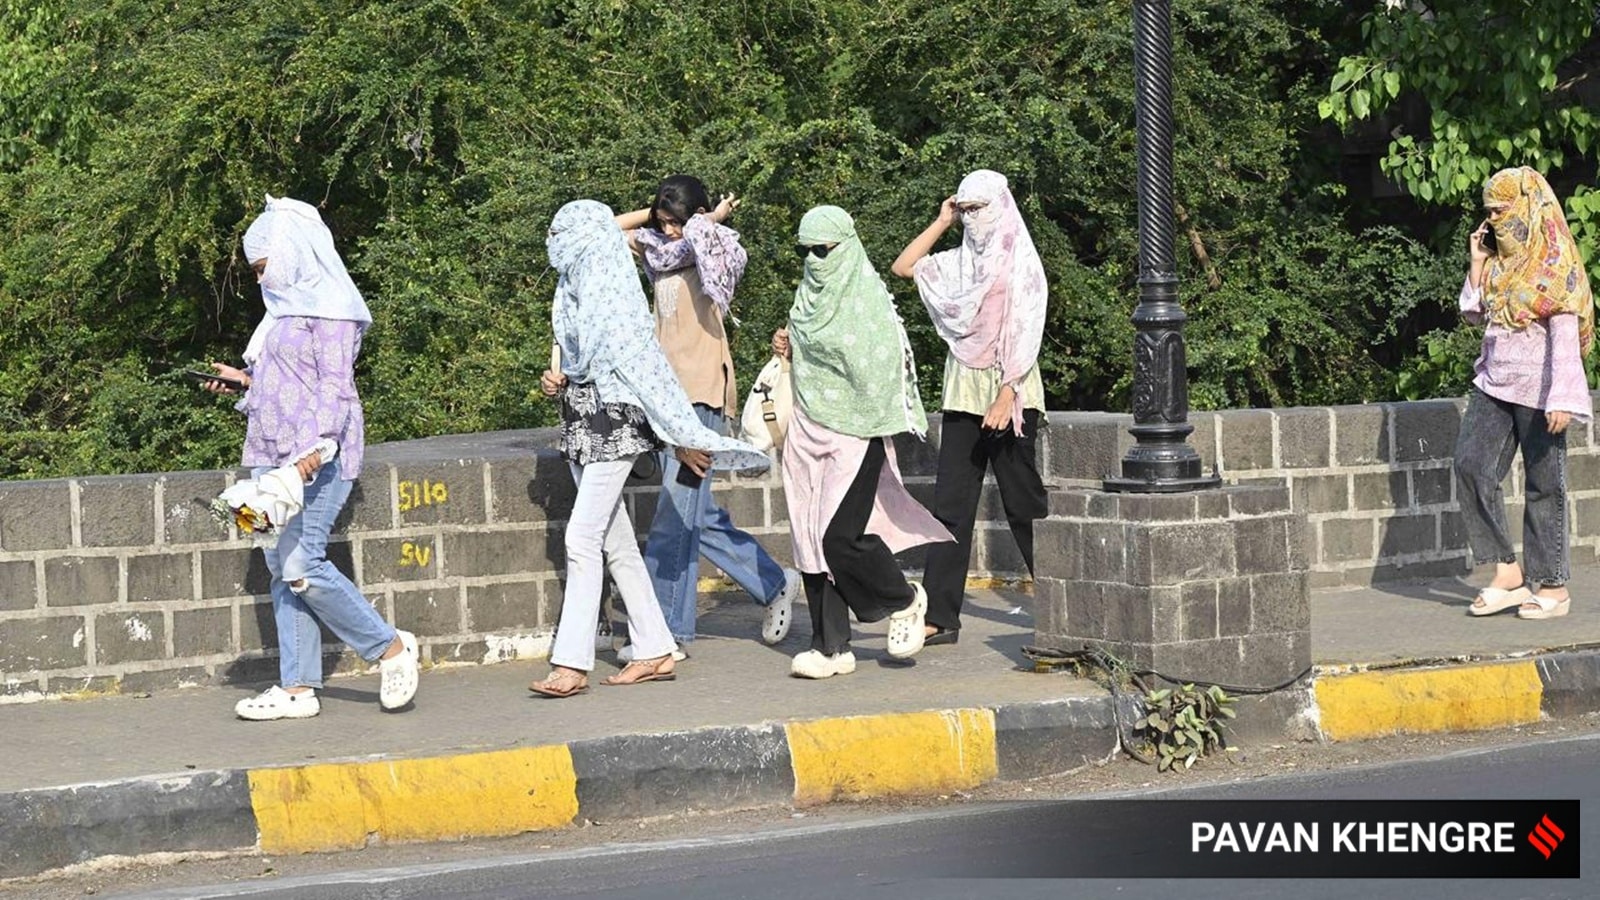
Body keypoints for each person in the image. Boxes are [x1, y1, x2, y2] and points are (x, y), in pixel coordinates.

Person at [532, 199, 770, 698]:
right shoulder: (576, 283)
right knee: (615, 543)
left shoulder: (612, 292)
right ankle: (656, 648)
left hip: (613, 424)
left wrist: (681, 435)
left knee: (581, 539)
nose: (557, 244)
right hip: (580, 419)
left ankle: (571, 663)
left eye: (564, 234)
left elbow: (649, 375)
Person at [205, 195, 420, 721]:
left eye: (264, 267)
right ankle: (298, 688)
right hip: (269, 456)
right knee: (281, 567)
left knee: (302, 564)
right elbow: (283, 386)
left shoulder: (333, 311)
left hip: (315, 460)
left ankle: (389, 649)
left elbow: (334, 391)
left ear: (293, 253)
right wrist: (243, 383)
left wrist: (316, 448)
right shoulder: (279, 316)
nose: (259, 280)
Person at [612, 176, 800, 659]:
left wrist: (705, 222)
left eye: (678, 222)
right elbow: (607, 230)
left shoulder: (708, 247)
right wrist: (654, 215)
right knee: (695, 513)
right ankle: (774, 581)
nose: (672, 233)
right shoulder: (658, 250)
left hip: (701, 396)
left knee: (674, 517)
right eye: (665, 223)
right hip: (666, 397)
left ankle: (664, 635)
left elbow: (707, 240)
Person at [771, 205, 953, 679]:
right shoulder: (808, 297)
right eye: (805, 250)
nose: (814, 259)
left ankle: (904, 598)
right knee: (809, 540)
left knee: (838, 538)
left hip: (856, 431)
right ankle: (830, 647)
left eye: (822, 249)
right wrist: (790, 345)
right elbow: (810, 348)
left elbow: (883, 368)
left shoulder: (868, 301)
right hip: (807, 427)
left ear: (845, 248)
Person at [889, 170, 1049, 645]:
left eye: (979, 208)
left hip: (1010, 393)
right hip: (963, 394)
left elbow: (1026, 325)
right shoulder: (959, 263)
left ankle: (1068, 602)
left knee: (1023, 503)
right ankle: (941, 616)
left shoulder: (1021, 261)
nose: (973, 219)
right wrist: (942, 220)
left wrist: (1006, 391)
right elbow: (904, 266)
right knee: (950, 507)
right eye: (966, 209)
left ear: (1000, 205)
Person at [1455, 166, 1594, 620]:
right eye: (1489, 212)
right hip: (1493, 381)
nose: (1495, 219)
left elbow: (1565, 332)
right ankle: (1507, 572)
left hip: (1540, 388)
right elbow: (1473, 313)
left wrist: (1564, 397)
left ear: (1527, 206)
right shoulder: (1498, 263)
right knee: (1472, 465)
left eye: (1503, 210)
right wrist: (1477, 263)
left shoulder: (1554, 260)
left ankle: (1553, 586)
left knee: (1544, 484)